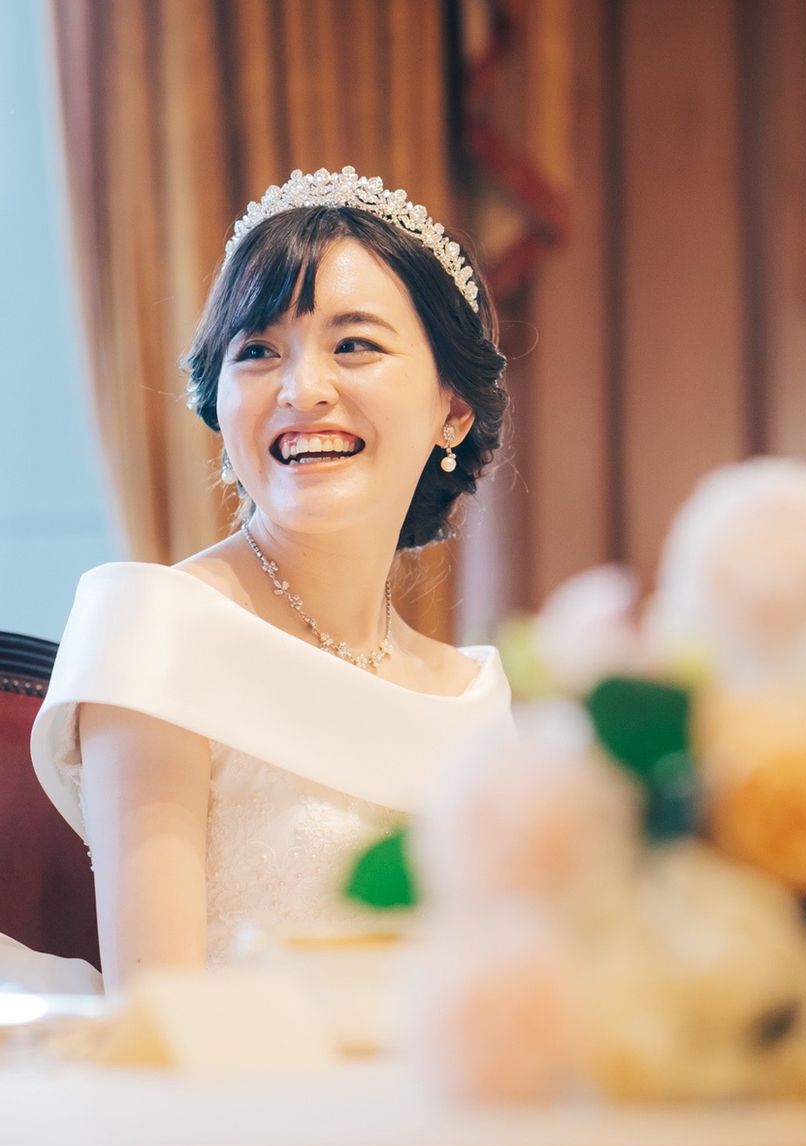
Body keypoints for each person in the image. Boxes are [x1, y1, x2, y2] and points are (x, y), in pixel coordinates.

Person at [28, 167, 514, 991]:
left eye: (354, 345)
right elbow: (160, 1010)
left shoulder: (476, 696)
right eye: (257, 352)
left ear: (453, 409)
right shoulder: (156, 634)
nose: (303, 390)